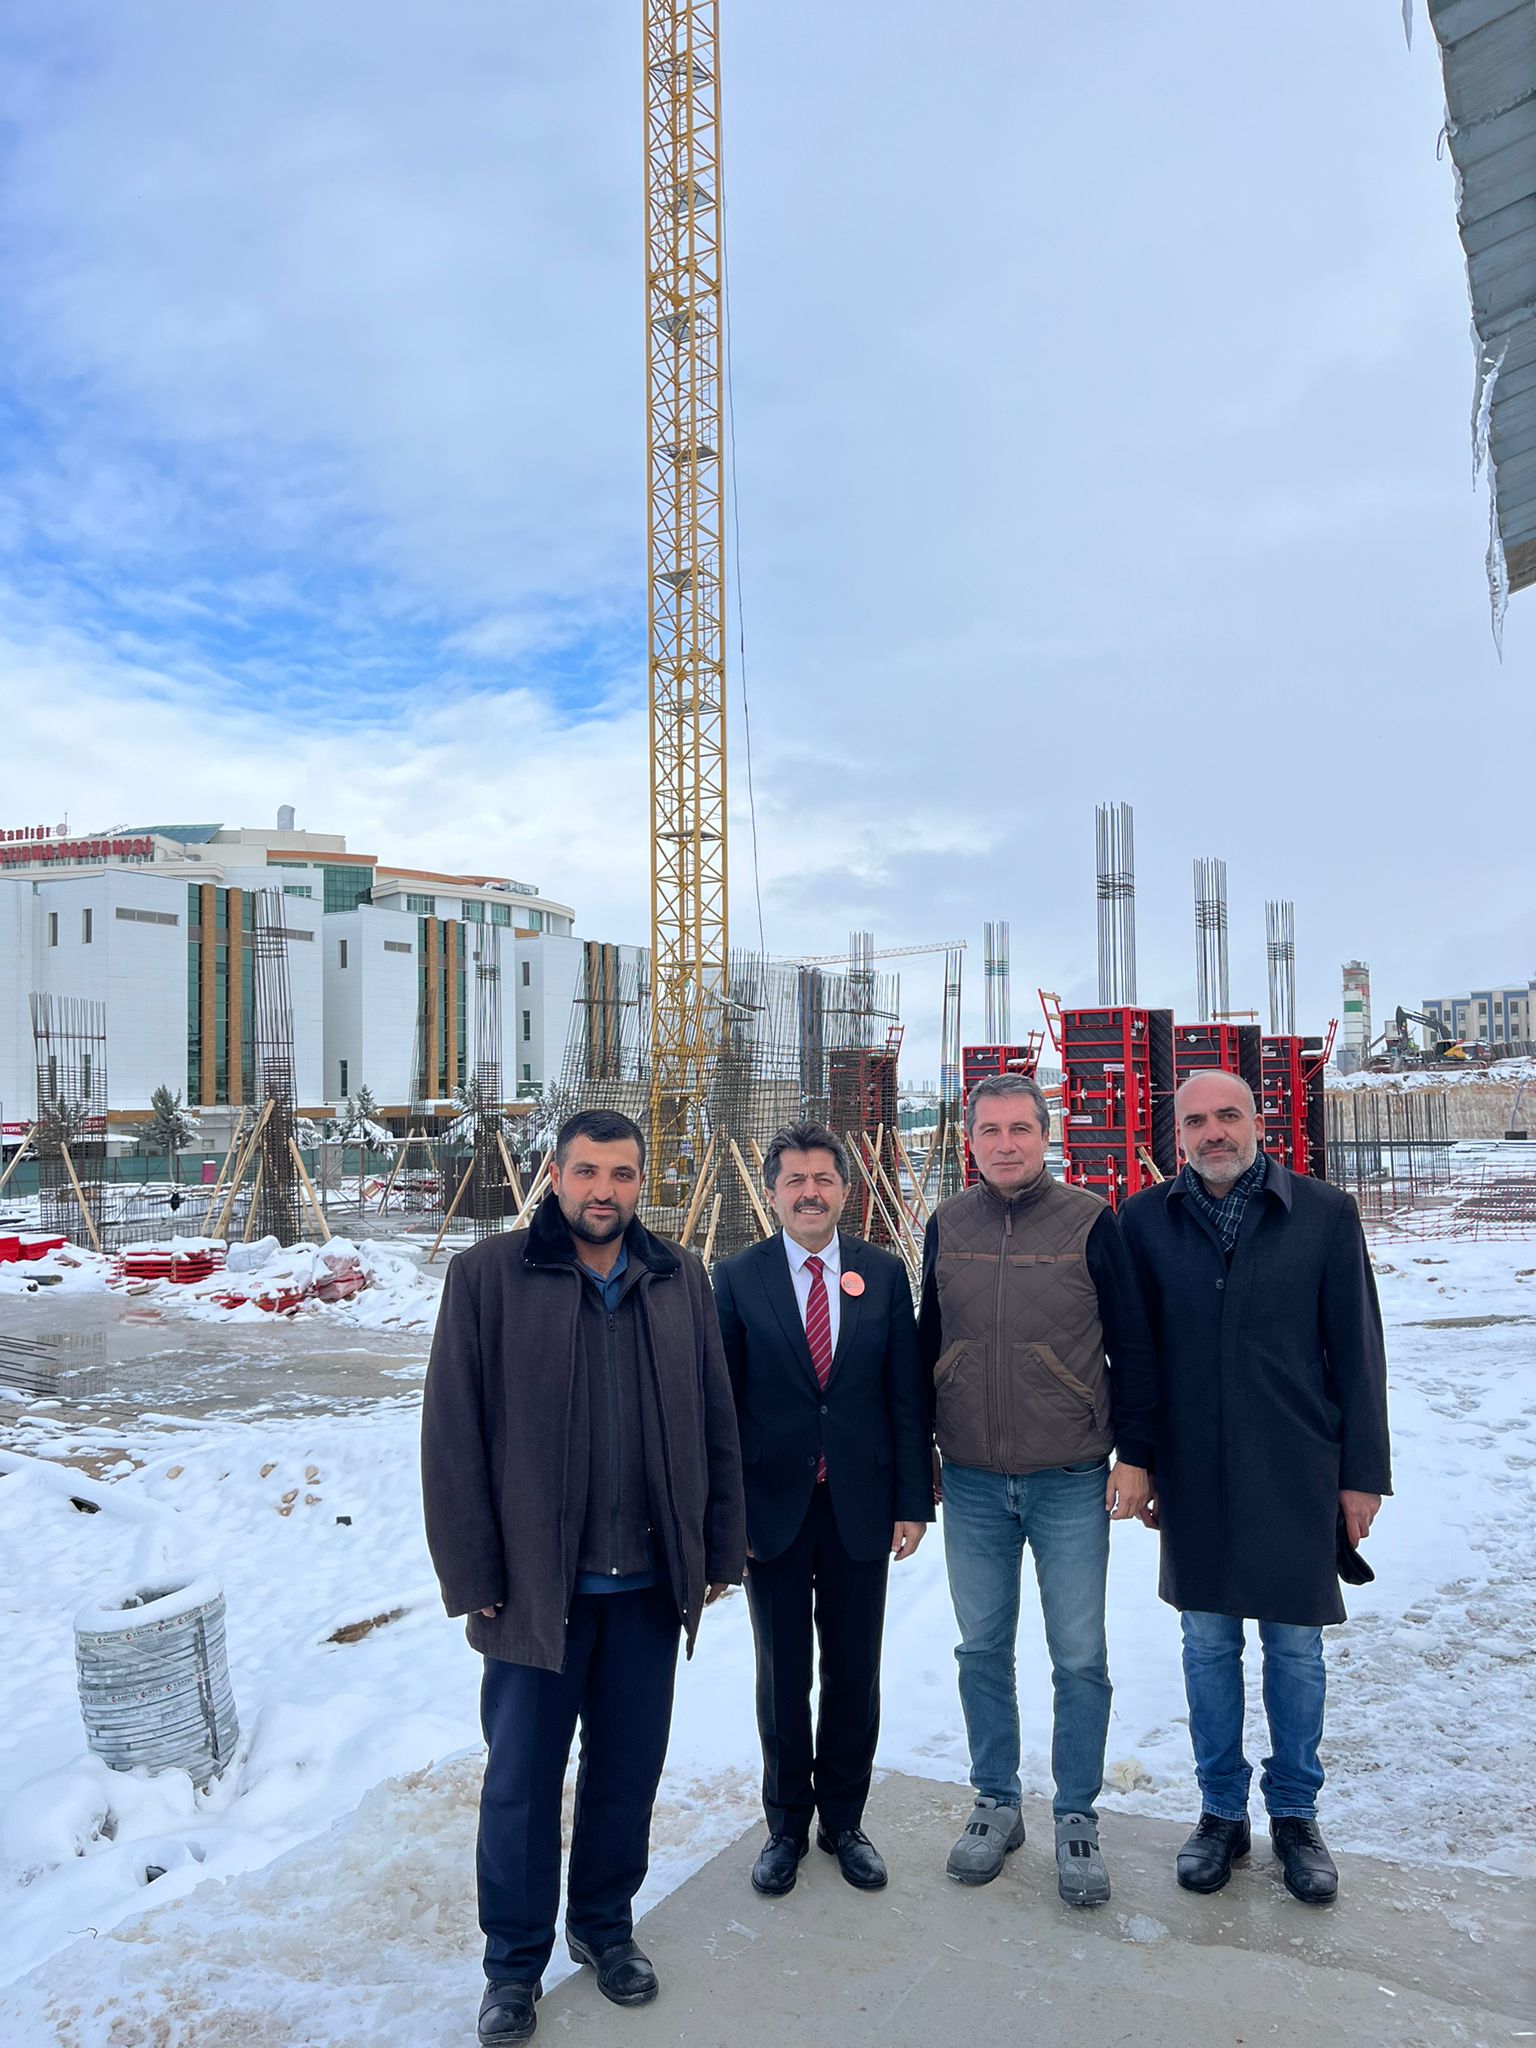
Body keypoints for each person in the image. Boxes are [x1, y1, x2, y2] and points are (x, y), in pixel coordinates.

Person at [421, 1108, 746, 2044]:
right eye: (588, 1172)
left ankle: (604, 1927)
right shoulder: (488, 1276)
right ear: (554, 1176)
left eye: (623, 1174)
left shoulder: (678, 1276)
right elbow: (450, 1432)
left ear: (642, 1181)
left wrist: (716, 1550)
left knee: (626, 1772)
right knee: (522, 1784)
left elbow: (713, 1418)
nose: (605, 1191)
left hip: (645, 1587)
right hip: (535, 1590)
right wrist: (473, 1569)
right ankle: (513, 1966)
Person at [1119, 1068, 1390, 1905]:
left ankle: (1297, 1816)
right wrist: (1140, 1457)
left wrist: (1362, 1476)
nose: (1214, 1132)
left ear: (1259, 1122)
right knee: (1206, 1646)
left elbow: (1358, 1352)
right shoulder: (1145, 1221)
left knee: (1295, 1648)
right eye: (1196, 1120)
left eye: (1228, 1115)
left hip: (1296, 1466)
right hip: (1193, 1469)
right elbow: (1136, 1355)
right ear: (1177, 1135)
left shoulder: (1323, 1214)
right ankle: (1220, 1813)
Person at [919, 1073, 1157, 1905]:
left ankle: (1077, 1814)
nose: (1006, 1143)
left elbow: (1133, 1344)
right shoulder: (947, 1224)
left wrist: (1136, 1455)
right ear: (970, 1142)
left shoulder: (1092, 1220)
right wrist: (920, 1454)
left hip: (1070, 1477)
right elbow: (925, 1343)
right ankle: (995, 1801)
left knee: (1079, 1655)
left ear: (1045, 1136)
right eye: (990, 1130)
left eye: (1021, 1128)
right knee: (981, 1649)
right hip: (973, 1479)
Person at [713, 1122, 933, 1898]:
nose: (810, 1193)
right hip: (771, 1511)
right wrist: (727, 1515)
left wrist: (912, 1500)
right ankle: (785, 1826)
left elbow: (905, 1397)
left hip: (859, 1506)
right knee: (781, 1675)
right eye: (795, 1181)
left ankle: (844, 1822)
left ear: (846, 1189)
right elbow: (720, 1407)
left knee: (853, 1670)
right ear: (773, 1193)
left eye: (824, 1180)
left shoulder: (882, 1273)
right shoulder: (737, 1278)